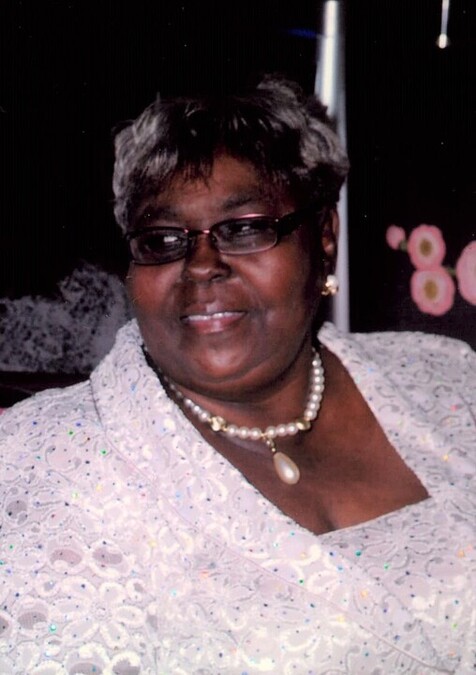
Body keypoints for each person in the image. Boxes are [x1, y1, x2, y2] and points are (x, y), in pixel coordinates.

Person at [0, 75, 474, 674]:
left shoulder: (446, 379)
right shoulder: (41, 463)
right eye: (163, 239)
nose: (201, 265)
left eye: (244, 227)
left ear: (324, 237)